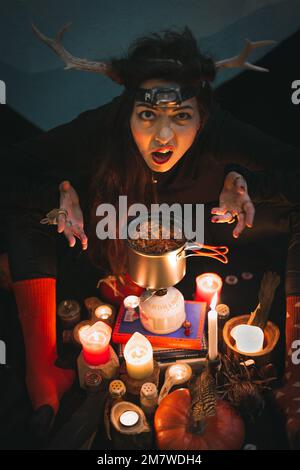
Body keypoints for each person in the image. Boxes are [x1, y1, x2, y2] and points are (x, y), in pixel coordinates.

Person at [2, 27, 299, 447]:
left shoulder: (220, 131)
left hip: (207, 248)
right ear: (128, 114)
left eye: (181, 117)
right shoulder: (103, 128)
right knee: (30, 212)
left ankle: (296, 376)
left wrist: (249, 183)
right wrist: (52, 196)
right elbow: (9, 168)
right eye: (147, 115)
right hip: (111, 250)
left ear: (203, 116)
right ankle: (43, 369)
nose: (163, 137)